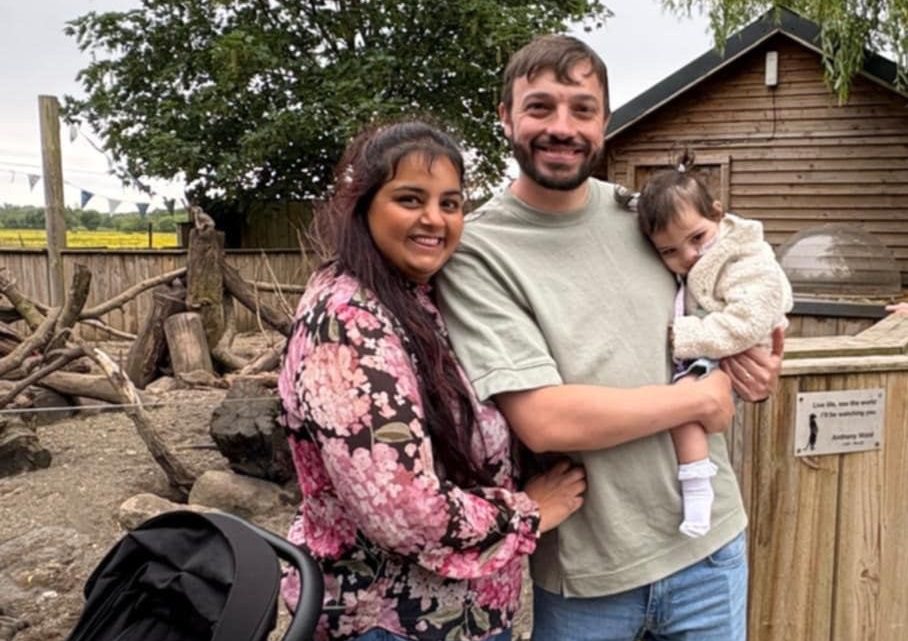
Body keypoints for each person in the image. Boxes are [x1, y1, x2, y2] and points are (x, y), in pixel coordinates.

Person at [436, 35, 783, 641]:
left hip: (709, 549)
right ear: (506, 118)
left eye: (582, 108)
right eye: (540, 107)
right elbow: (545, 420)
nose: (561, 127)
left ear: (605, 120)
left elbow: (734, 301)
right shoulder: (478, 251)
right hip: (589, 574)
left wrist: (752, 362)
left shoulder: (645, 217)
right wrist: (701, 400)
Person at [277, 120, 587, 641]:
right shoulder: (346, 324)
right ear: (363, 204)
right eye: (409, 199)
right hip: (387, 620)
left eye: (450, 203)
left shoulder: (420, 297)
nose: (433, 219)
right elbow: (404, 509)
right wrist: (529, 511)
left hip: (454, 618)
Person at [634, 150, 794, 538]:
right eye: (669, 251)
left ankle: (698, 489)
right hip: (719, 342)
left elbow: (748, 320)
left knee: (684, 405)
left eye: (697, 238)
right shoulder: (710, 255)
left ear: (719, 214)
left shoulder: (746, 258)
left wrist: (681, 336)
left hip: (732, 345)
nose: (687, 256)